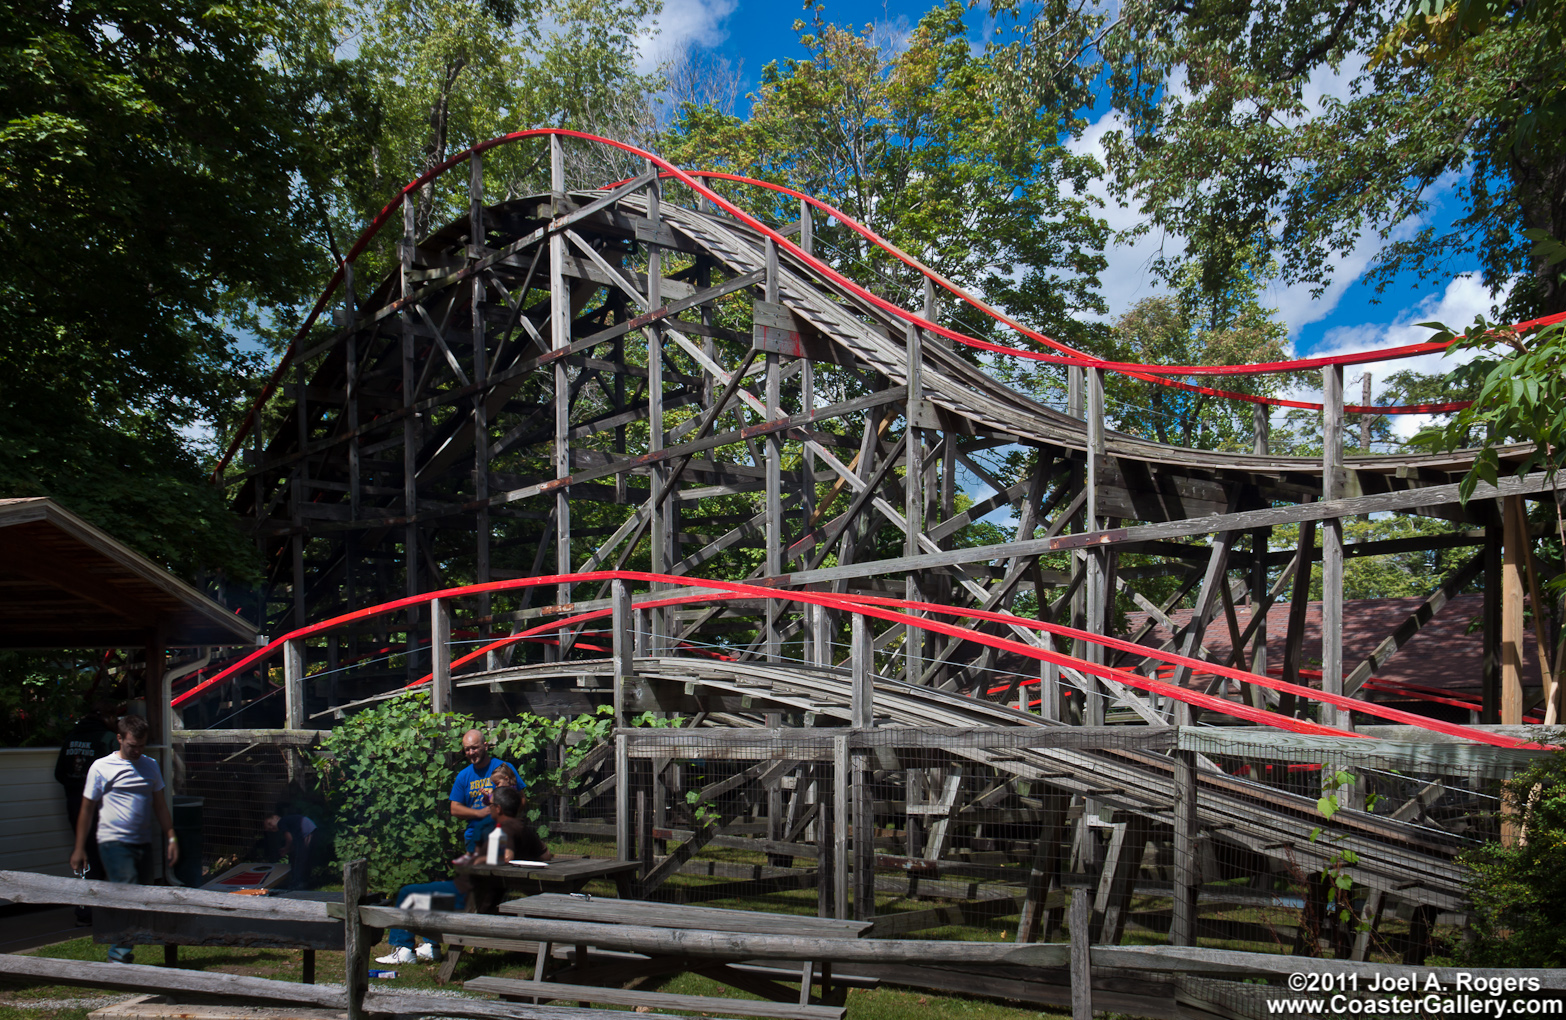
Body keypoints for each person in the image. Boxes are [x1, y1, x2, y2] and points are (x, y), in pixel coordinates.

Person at [376, 786, 551, 965]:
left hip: (469, 899)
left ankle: (404, 949)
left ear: (498, 809)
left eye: (490, 805)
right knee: (433, 891)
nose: (488, 808)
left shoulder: (502, 829)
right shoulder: (524, 828)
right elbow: (546, 856)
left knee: (409, 894)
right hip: (488, 895)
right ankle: (431, 946)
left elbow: (506, 857)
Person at [70, 714, 177, 964]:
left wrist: (171, 837)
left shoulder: (150, 765)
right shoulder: (101, 767)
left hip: (143, 842)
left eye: (141, 745)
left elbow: (160, 805)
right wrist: (79, 848)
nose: (137, 750)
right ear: (119, 739)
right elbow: (86, 809)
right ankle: (118, 955)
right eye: (132, 746)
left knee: (143, 895)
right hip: (114, 841)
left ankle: (129, 942)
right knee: (127, 889)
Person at [54, 700, 118, 921]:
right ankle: (99, 911)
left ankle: (85, 909)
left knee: (85, 854)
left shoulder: (71, 737)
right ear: (107, 718)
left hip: (74, 804)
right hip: (99, 807)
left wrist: (75, 788)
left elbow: (59, 774)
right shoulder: (108, 739)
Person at [449, 729, 520, 852]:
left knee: (501, 867)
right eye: (467, 749)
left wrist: (506, 812)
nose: (471, 753)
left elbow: (522, 800)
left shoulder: (503, 769)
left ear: (485, 746)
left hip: (502, 833)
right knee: (477, 869)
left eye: (474, 748)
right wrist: (479, 813)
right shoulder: (463, 776)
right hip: (474, 837)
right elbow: (454, 808)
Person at [264, 808, 323, 890]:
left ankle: (298, 883)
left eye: (270, 824)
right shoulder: (288, 821)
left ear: (276, 817)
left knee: (300, 859)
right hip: (310, 830)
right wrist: (287, 849)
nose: (271, 827)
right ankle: (304, 880)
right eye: (269, 829)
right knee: (304, 857)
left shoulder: (281, 822)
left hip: (306, 832)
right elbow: (293, 842)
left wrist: (286, 848)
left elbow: (289, 839)